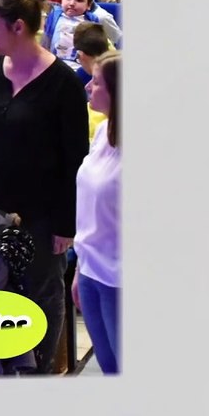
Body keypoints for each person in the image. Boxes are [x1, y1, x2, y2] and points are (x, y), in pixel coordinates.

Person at [0, 0, 89, 374]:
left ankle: (42, 377)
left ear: (18, 27)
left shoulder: (63, 84)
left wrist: (66, 224)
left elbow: (74, 161)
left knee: (39, 296)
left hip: (42, 214)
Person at [73, 51, 121, 375]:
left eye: (97, 82)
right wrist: (79, 267)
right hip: (90, 270)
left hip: (121, 278)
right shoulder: (103, 132)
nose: (89, 87)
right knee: (108, 367)